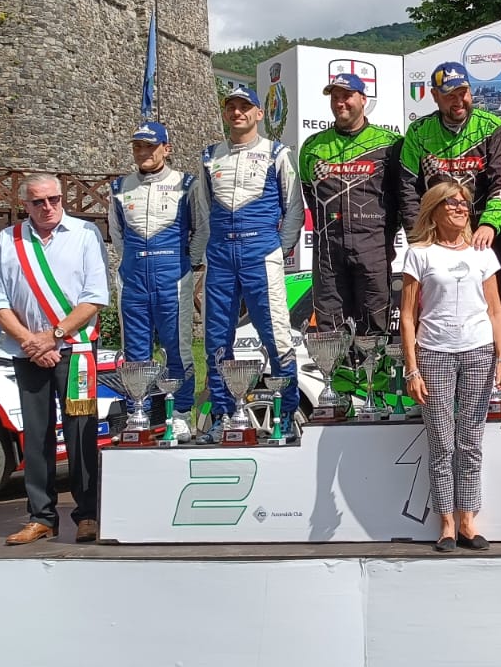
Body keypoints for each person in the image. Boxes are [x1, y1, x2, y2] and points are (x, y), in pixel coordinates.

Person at [0, 175, 109, 544]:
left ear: (62, 197)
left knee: (81, 432)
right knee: (36, 434)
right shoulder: (8, 240)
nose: (47, 207)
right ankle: (41, 516)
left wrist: (52, 336)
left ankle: (88, 514)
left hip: (75, 349)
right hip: (27, 351)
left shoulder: (85, 233)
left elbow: (95, 296)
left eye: (53, 199)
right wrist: (31, 342)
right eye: (38, 201)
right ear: (25, 204)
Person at [401, 181, 501, 552]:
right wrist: (412, 368)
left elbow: (496, 310)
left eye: (465, 203)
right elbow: (408, 315)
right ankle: (446, 523)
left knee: (470, 441)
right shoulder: (419, 254)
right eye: (452, 203)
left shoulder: (483, 253)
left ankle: (468, 519)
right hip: (434, 352)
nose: (461, 208)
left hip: (479, 351)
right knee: (441, 440)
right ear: (434, 210)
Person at [193, 85, 303, 441]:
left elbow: (294, 209)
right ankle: (224, 416)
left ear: (258, 113)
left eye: (245, 107)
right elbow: (204, 211)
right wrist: (207, 252)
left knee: (277, 336)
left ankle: (286, 416)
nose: (237, 112)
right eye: (231, 107)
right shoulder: (210, 156)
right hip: (221, 257)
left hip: (261, 254)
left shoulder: (277, 153)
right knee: (216, 339)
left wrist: (276, 249)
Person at [108, 120, 197, 433]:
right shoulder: (119, 188)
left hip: (172, 276)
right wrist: (133, 261)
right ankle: (139, 414)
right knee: (135, 352)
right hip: (133, 278)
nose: (143, 152)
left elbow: (200, 229)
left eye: (150, 146)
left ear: (166, 148)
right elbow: (117, 234)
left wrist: (187, 262)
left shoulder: (186, 183)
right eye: (138, 146)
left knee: (177, 348)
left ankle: (182, 414)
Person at [299, 70, 401, 336]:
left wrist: (384, 236)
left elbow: (401, 196)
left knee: (374, 324)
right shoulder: (312, 146)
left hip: (373, 246)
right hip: (328, 249)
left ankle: (372, 365)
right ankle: (335, 366)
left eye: (347, 96)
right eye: (335, 97)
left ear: (363, 99)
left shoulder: (389, 143)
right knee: (330, 329)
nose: (340, 103)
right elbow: (310, 194)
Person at [399, 61, 501, 256]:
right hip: (436, 235)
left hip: (483, 233)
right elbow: (407, 188)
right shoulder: (419, 132)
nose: (459, 101)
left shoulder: (492, 128)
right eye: (450, 95)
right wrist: (417, 235)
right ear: (435, 95)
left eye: (463, 93)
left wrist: (489, 223)